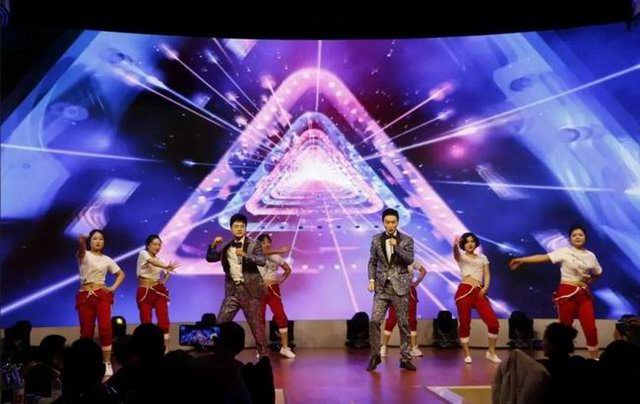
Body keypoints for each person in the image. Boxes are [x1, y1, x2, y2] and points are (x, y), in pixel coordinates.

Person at [509, 226, 602, 359]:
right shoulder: (564, 251)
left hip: (583, 295)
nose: (577, 237)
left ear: (585, 238)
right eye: (574, 235)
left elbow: (598, 272)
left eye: (580, 235)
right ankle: (562, 359)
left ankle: (595, 360)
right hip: (566, 293)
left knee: (590, 329)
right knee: (564, 330)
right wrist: (522, 260)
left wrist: (589, 281)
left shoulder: (590, 256)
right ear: (570, 239)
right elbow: (543, 257)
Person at [206, 213, 268, 356]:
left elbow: (262, 260)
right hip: (232, 292)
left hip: (250, 292)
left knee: (257, 329)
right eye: (236, 226)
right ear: (231, 229)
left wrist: (245, 255)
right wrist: (213, 245)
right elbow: (210, 258)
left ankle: (264, 359)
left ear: (245, 228)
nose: (239, 229)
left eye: (242, 226)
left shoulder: (254, 244)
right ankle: (217, 358)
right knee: (220, 324)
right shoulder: (226, 247)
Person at [366, 208, 416, 371]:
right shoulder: (376, 239)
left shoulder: (407, 240)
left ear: (397, 222)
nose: (390, 225)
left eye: (393, 222)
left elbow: (410, 260)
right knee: (374, 320)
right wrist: (371, 280)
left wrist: (397, 247)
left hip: (400, 287)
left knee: (403, 324)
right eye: (387, 222)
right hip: (382, 288)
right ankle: (375, 356)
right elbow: (372, 262)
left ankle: (405, 358)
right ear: (383, 223)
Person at [75, 229, 125, 376]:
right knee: (86, 331)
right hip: (85, 295)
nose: (98, 241)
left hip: (101, 295)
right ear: (90, 241)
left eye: (101, 239)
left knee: (105, 328)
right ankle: (86, 362)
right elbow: (81, 251)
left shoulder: (107, 259)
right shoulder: (84, 254)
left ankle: (107, 362)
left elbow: (121, 274)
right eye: (95, 238)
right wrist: (82, 242)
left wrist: (112, 288)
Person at [453, 232, 501, 364]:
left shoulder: (483, 257)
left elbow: (487, 274)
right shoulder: (461, 257)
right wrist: (455, 245)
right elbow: (456, 254)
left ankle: (491, 352)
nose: (470, 244)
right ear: (463, 244)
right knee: (465, 324)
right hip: (464, 291)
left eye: (472, 241)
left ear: (476, 243)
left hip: (479, 292)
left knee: (493, 323)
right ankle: (467, 354)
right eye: (467, 242)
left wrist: (486, 288)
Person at [256, 234, 295, 358]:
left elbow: (288, 269)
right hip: (258, 290)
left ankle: (285, 348)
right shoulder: (256, 255)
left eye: (268, 242)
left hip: (273, 290)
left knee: (281, 316)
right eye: (263, 242)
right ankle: (261, 349)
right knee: (259, 320)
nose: (266, 244)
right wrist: (280, 249)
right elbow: (263, 252)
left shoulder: (276, 257)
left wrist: (281, 279)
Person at [136, 234, 179, 345]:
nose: (157, 247)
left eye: (159, 245)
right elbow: (152, 262)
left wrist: (164, 280)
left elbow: (167, 273)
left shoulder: (160, 260)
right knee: (146, 323)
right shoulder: (143, 253)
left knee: (164, 322)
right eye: (154, 244)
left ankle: (165, 350)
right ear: (148, 245)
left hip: (158, 291)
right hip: (145, 291)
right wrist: (165, 267)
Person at [380, 261, 427, 358]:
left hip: (409, 292)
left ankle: (414, 348)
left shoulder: (411, 260)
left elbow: (423, 271)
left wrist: (415, 283)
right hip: (395, 291)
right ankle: (383, 347)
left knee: (412, 320)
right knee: (392, 319)